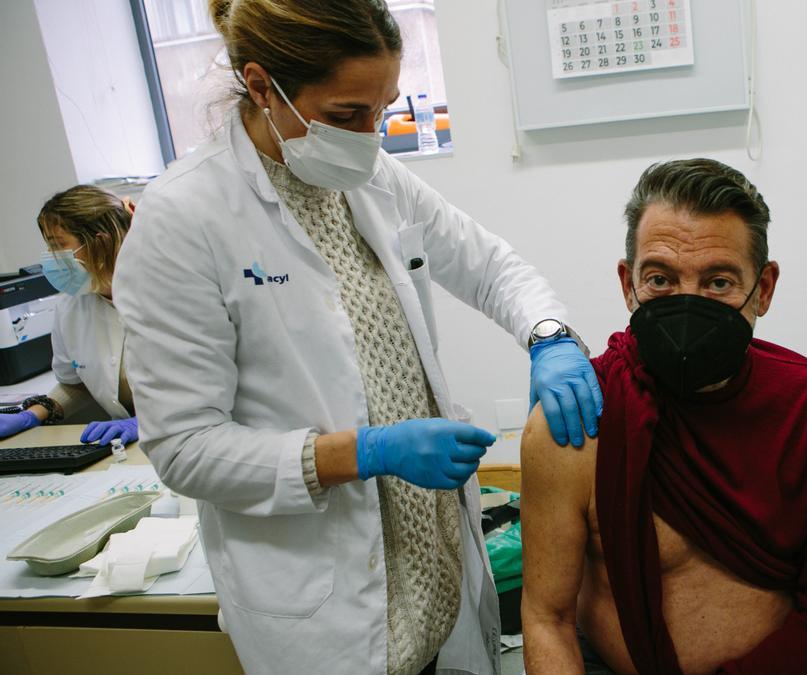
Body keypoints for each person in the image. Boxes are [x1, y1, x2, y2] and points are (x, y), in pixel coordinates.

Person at [112, 1, 601, 673]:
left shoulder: (370, 175)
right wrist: (362, 452)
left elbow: (487, 264)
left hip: (433, 579)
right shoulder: (183, 219)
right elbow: (186, 447)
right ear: (261, 86)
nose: (371, 135)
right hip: (326, 613)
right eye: (347, 114)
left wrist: (548, 336)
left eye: (384, 108)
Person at [521, 159, 807, 675]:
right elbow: (547, 618)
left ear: (765, 288)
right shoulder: (578, 420)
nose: (687, 305)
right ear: (628, 284)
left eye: (718, 282)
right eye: (661, 279)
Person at [0, 186, 139, 447]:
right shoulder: (71, 304)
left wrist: (148, 422)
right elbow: (76, 385)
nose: (52, 259)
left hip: (196, 435)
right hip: (127, 445)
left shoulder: (168, 293)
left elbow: (215, 384)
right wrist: (32, 415)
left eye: (58, 246)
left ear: (102, 241)